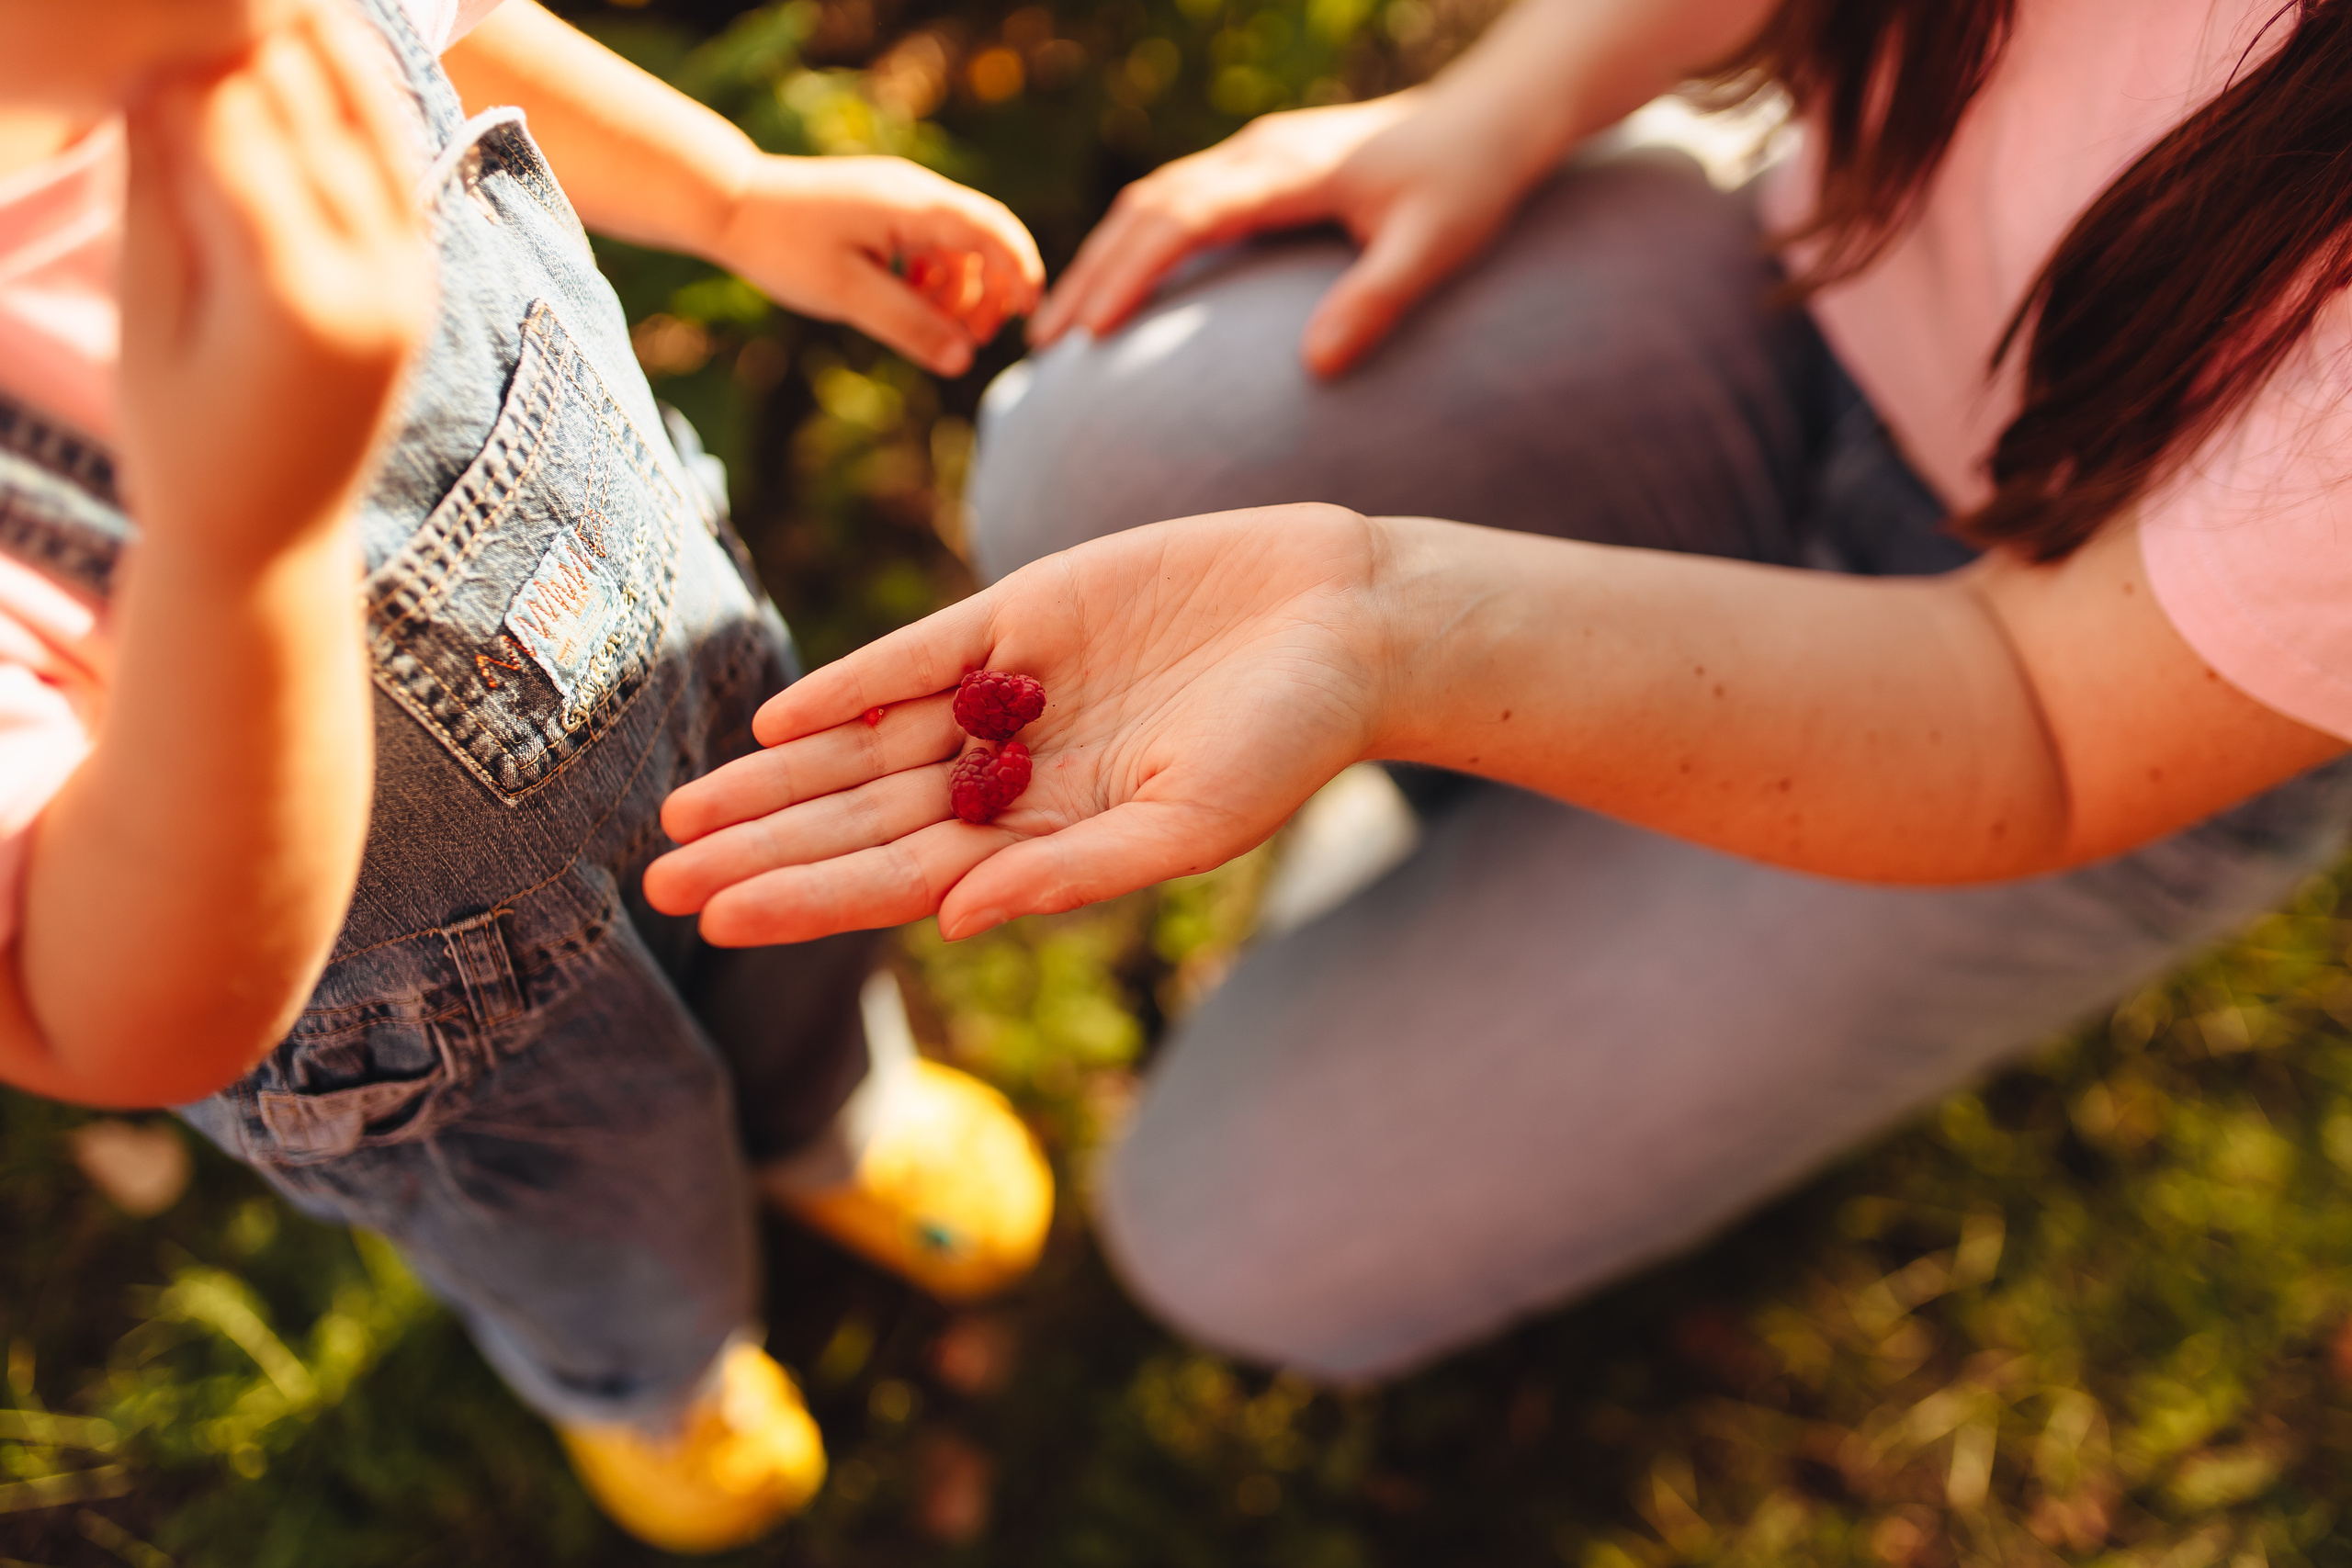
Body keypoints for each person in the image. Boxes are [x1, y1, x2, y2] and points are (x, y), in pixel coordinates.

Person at [649, 0, 2352, 1384]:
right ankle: (1506, 842)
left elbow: (2041, 719)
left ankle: (1501, 861)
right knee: (1115, 447)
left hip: (2086, 697)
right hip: (1829, 267)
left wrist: (1401, 627)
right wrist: (1508, 100)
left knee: (1242, 1228)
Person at [0, 0, 1052, 1551]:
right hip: (435, 1035)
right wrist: (245, 558)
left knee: (802, 949)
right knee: (595, 1223)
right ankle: (655, 1374)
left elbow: (447, 35)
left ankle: (831, 1115)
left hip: (685, 676)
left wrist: (730, 193)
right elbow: (99, 1013)